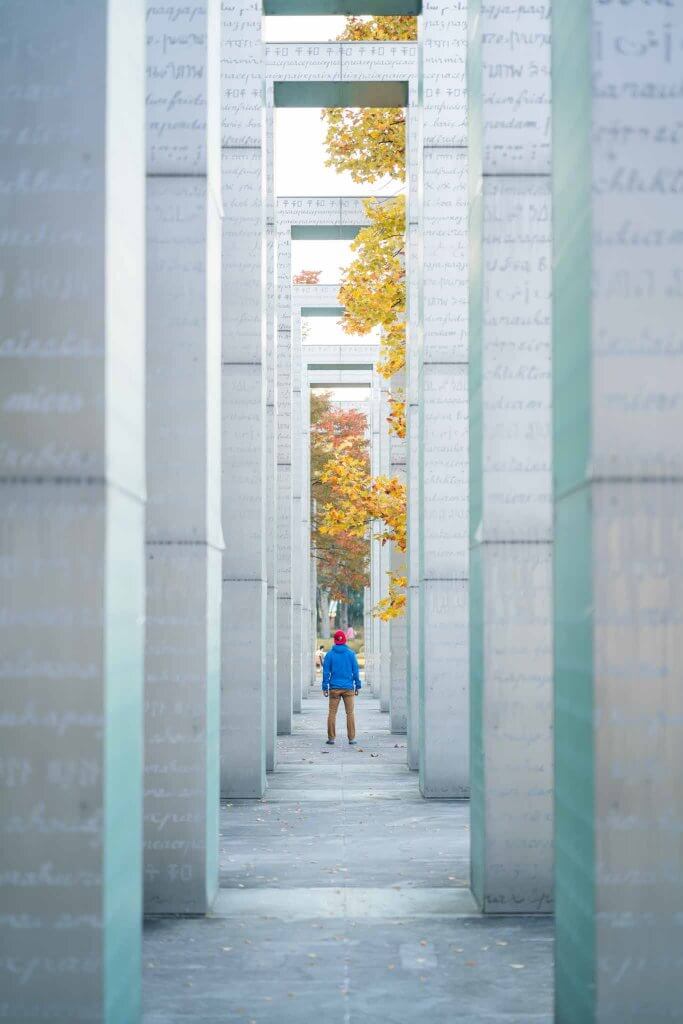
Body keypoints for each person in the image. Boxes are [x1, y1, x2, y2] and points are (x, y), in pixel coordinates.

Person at [322, 629, 362, 745]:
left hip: (334, 688)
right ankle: (351, 738)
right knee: (350, 713)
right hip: (348, 688)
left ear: (334, 641)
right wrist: (357, 685)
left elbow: (326, 672)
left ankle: (331, 738)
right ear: (345, 640)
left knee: (332, 713)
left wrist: (325, 687)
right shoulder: (351, 654)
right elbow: (355, 671)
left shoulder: (329, 655)